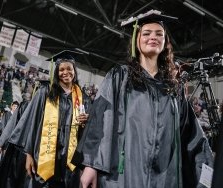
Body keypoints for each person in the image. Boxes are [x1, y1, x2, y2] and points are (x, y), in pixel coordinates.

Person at [73, 10, 213, 188]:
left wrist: (207, 177)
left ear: (165, 42)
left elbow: (192, 137)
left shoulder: (174, 89)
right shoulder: (120, 76)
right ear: (136, 41)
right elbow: (100, 120)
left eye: (159, 34)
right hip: (123, 174)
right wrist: (91, 165)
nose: (152, 37)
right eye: (146, 33)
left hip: (164, 179)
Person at [9, 50, 90, 188]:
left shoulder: (83, 98)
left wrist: (87, 122)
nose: (65, 72)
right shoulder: (44, 93)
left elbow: (88, 133)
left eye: (69, 69)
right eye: (61, 69)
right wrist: (28, 154)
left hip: (69, 160)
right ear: (56, 72)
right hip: (43, 156)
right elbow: (32, 123)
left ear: (74, 71)